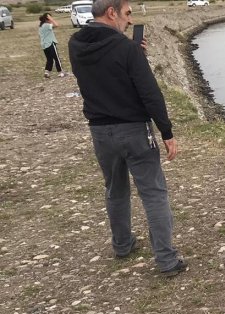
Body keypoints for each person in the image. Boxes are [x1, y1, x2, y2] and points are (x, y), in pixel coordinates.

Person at [68, 0, 187, 277]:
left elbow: (101, 75)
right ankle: (167, 261)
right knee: (154, 193)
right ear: (112, 13)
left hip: (100, 131)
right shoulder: (126, 48)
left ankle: (122, 245)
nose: (130, 21)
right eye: (128, 14)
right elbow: (150, 94)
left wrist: (135, 55)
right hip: (134, 130)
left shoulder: (76, 45)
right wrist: (166, 132)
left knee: (115, 189)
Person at [38, 13, 66, 78]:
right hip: (50, 43)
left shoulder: (41, 26)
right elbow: (57, 25)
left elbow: (40, 35)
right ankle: (60, 72)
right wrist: (51, 19)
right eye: (49, 18)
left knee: (49, 59)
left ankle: (47, 72)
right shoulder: (47, 25)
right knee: (56, 58)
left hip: (44, 45)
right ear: (47, 19)